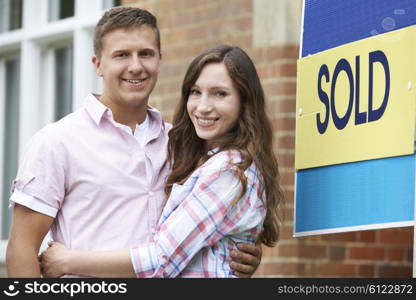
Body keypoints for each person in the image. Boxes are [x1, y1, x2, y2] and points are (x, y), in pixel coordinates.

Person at [6, 7, 261, 278]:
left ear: (160, 60)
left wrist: (237, 249)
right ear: (98, 64)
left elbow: (204, 227)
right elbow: (22, 248)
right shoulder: (57, 142)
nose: (136, 66)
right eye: (122, 55)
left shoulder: (182, 143)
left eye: (146, 54)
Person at [40, 44, 283, 278]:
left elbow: (162, 259)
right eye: (195, 92)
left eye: (220, 94)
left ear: (244, 102)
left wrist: (66, 261)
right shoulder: (194, 157)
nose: (203, 106)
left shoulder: (228, 171)